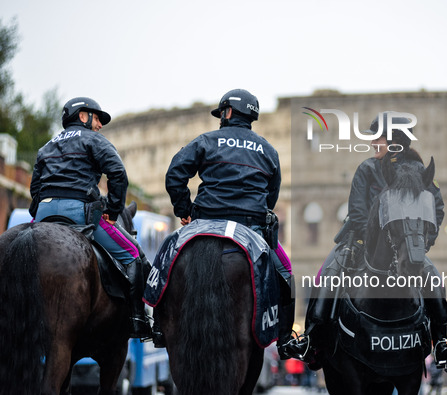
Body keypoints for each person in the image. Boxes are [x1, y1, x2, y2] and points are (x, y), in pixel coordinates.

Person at [285, 112, 447, 368]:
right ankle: (312, 339)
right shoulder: (367, 168)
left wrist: (423, 241)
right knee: (329, 272)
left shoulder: (421, 172)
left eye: (379, 137)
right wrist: (379, 242)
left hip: (407, 246)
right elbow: (357, 212)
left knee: (432, 275)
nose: (373, 143)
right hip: (362, 243)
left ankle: (441, 342)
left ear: (396, 140)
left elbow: (437, 209)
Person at [164, 88, 295, 356]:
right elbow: (272, 195)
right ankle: (284, 339)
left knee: (165, 260)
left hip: (204, 223)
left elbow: (175, 174)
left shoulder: (206, 141)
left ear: (229, 112)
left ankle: (157, 324)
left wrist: (184, 210)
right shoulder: (268, 150)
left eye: (221, 113)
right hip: (250, 228)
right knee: (286, 274)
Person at [29, 97, 152, 339]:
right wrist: (114, 210)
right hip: (80, 212)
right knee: (134, 255)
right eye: (97, 118)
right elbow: (117, 173)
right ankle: (138, 320)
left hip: (44, 212)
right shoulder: (94, 140)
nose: (100, 125)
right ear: (83, 116)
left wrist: (39, 211)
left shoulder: (47, 146)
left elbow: (35, 188)